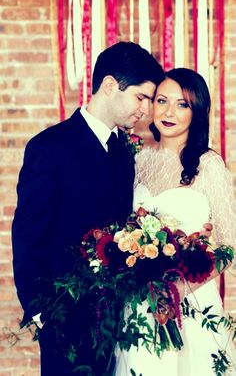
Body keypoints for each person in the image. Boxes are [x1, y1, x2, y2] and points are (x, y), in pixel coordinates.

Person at [11, 41, 165, 376]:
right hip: (63, 318)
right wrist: (40, 311)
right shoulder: (49, 147)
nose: (145, 110)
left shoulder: (125, 152)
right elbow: (27, 236)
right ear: (110, 85)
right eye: (141, 97)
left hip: (117, 320)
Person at [115, 68, 236, 376]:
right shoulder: (138, 161)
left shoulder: (209, 165)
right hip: (141, 306)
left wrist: (182, 287)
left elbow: (228, 246)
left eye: (182, 104)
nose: (169, 112)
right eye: (161, 101)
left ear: (196, 112)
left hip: (191, 300)